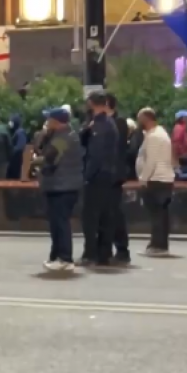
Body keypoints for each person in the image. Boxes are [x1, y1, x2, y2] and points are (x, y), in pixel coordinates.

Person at [35, 107, 82, 272]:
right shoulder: (65, 135)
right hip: (61, 185)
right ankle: (56, 256)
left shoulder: (63, 138)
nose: (47, 122)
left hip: (62, 186)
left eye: (49, 119)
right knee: (56, 223)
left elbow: (50, 157)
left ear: (56, 121)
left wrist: (35, 161)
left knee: (61, 223)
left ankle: (65, 258)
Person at [79, 90, 118, 267]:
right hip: (107, 175)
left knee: (91, 217)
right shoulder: (106, 123)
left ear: (91, 103)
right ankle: (104, 253)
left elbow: (96, 154)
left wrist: (87, 176)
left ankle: (91, 253)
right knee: (105, 216)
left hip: (98, 176)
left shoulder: (101, 125)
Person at [135, 108, 175, 255]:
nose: (139, 122)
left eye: (140, 119)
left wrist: (143, 179)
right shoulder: (161, 133)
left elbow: (151, 161)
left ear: (146, 119)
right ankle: (161, 245)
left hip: (156, 179)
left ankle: (157, 246)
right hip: (164, 179)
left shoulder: (154, 136)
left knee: (157, 215)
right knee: (161, 215)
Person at [106, 93, 131, 265]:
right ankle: (105, 249)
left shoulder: (119, 122)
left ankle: (122, 249)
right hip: (104, 174)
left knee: (115, 213)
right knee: (105, 214)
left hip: (114, 174)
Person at [6, 113, 27, 179]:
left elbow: (20, 147)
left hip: (17, 163)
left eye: (11, 121)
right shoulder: (16, 132)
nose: (9, 123)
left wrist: (10, 153)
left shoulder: (20, 132)